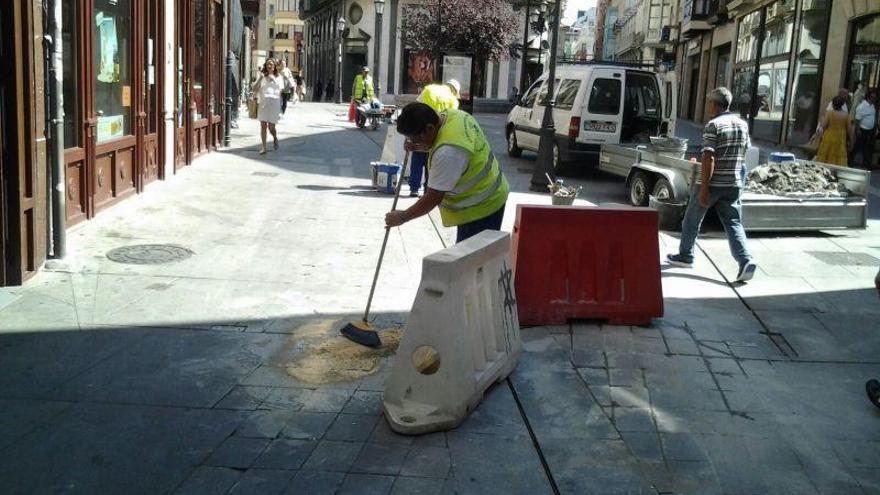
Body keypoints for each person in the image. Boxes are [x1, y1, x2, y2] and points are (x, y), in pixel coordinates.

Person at [667, 87, 757, 283]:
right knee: (733, 223)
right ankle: (745, 260)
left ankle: (685, 255)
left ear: (715, 105)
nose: (708, 107)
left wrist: (705, 188)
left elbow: (708, 157)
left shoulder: (713, 125)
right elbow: (745, 151)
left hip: (713, 181)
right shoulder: (742, 124)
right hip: (733, 182)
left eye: (709, 104)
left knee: (692, 218)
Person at [386, 102, 509, 243]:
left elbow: (433, 197)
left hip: (482, 207)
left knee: (470, 260)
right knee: (471, 258)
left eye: (415, 138)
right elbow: (451, 148)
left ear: (429, 128)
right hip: (489, 192)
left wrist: (403, 217)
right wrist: (422, 146)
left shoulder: (448, 153)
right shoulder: (453, 116)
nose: (412, 142)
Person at [408, 79, 462, 197]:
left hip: (420, 132)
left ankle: (414, 188)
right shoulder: (453, 100)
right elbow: (451, 121)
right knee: (431, 166)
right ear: (455, 91)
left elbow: (415, 108)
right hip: (437, 137)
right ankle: (428, 190)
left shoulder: (429, 89)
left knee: (417, 161)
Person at [252, 59, 282, 155]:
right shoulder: (262, 77)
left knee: (271, 127)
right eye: (268, 64)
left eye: (272, 64)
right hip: (263, 104)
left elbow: (281, 90)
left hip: (274, 104)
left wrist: (274, 80)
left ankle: (275, 137)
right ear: (266, 66)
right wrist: (260, 78)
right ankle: (264, 147)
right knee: (263, 125)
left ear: (274, 67)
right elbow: (254, 88)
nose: (270, 66)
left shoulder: (278, 77)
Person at [815, 96, 852, 166]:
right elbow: (849, 129)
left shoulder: (830, 113)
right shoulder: (846, 115)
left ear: (833, 104)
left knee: (825, 156)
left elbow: (823, 125)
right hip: (840, 139)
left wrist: (822, 119)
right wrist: (850, 140)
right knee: (838, 157)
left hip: (829, 137)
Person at [852, 89, 877, 169]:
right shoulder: (862, 106)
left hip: (870, 130)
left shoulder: (872, 106)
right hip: (862, 129)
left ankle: (866, 164)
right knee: (857, 147)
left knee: (867, 148)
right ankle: (850, 161)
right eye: (872, 97)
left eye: (875, 97)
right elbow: (857, 119)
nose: (874, 99)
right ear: (868, 97)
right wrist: (858, 130)